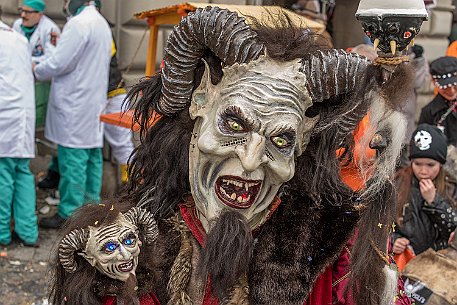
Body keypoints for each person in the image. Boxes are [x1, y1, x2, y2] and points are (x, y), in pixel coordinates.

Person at [48, 6, 420, 305]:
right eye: (235, 125)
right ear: (200, 103)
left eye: (280, 140)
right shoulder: (126, 238)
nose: (250, 160)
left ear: (302, 142)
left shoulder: (332, 246)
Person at [33, 0, 111, 229]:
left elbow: (59, 63)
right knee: (92, 158)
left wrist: (36, 69)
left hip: (75, 106)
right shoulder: (100, 23)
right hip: (91, 103)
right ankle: (91, 208)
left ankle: (70, 214)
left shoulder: (78, 23)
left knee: (73, 161)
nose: (65, 3)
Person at [0, 7, 38, 247]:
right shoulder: (18, 38)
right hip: (23, 116)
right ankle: (28, 232)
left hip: (5, 115)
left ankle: (2, 233)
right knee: (22, 172)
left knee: (3, 175)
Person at [392, 123, 457, 258]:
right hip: (407, 263)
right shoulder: (397, 182)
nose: (423, 171)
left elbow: (453, 231)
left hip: (438, 263)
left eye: (430, 165)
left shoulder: (451, 186)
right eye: (417, 164)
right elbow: (380, 224)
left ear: (441, 163)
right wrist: (393, 239)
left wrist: (434, 201)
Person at [13, 0, 60, 129]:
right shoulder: (17, 25)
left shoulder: (50, 29)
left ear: (39, 14)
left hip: (40, 81)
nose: (23, 15)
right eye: (21, 11)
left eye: (28, 12)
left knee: (36, 118)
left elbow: (53, 58)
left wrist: (29, 61)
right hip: (20, 79)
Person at [418, 56, 457, 146]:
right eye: (445, 87)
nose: (451, 91)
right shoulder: (429, 112)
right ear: (433, 81)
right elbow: (421, 146)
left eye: (455, 85)